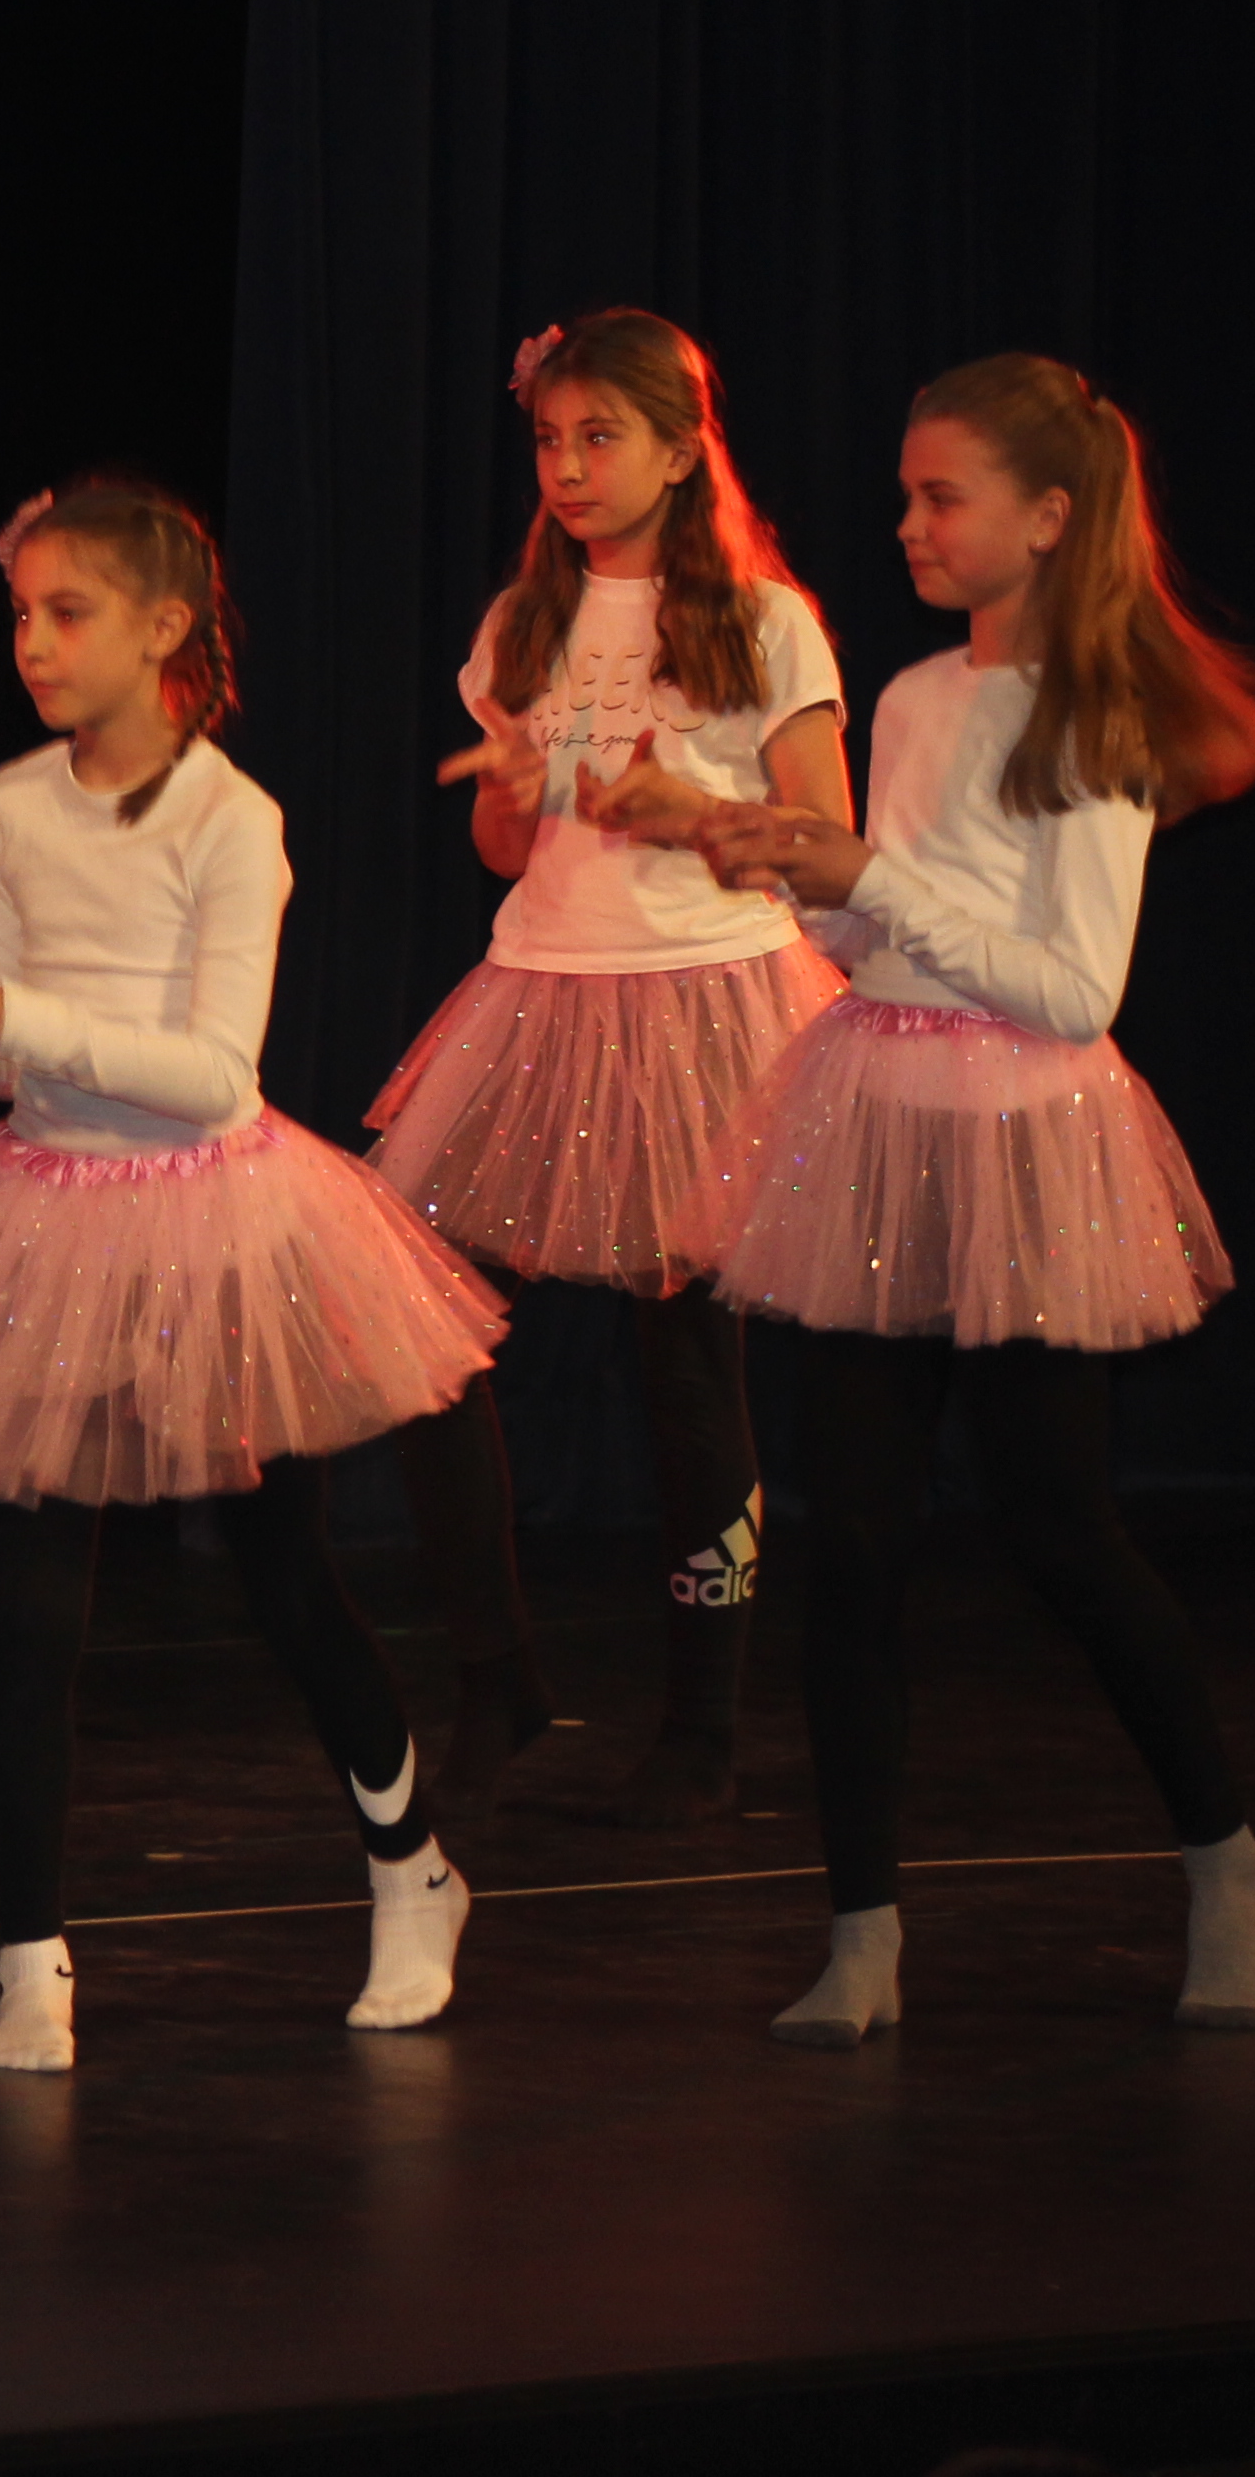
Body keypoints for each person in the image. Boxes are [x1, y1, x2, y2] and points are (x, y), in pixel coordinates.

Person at [0, 475, 500, 2073]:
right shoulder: (7, 807)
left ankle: (414, 1868)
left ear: (165, 629)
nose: (33, 644)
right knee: (29, 1614)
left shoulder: (226, 821)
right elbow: (11, 1061)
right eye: (21, 614)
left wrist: (12, 1022)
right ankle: (29, 1962)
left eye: (69, 614)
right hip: (50, 1225)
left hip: (211, 1223)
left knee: (284, 1581)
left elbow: (211, 1076)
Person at [690, 354, 1255, 2048]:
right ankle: (864, 1934)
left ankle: (1228, 1864)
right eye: (905, 493)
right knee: (851, 1545)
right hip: (881, 1120)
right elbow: (879, 932)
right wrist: (791, 878)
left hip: (1026, 1137)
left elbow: (1072, 990)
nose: (907, 523)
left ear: (1047, 518)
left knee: (1059, 1528)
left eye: (938, 496)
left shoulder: (1089, 719)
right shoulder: (909, 700)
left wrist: (875, 881)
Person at [369, 308, 850, 1825]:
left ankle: (702, 1728)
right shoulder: (527, 622)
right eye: (549, 440)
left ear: (681, 450)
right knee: (414, 1314)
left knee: (688, 1362)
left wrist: (685, 803)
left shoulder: (762, 622)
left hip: (711, 1006)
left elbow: (829, 842)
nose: (569, 468)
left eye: (600, 437)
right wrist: (516, 794)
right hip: (544, 992)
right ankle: (497, 1673)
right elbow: (502, 846)